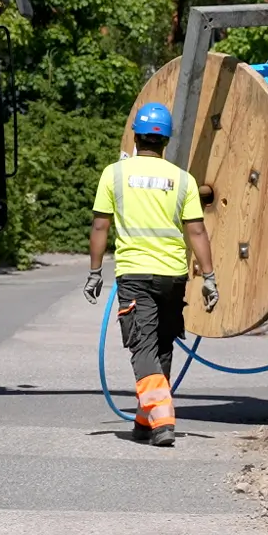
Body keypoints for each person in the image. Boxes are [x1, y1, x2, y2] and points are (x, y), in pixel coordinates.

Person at [85, 102, 218, 446]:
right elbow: (197, 233)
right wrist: (210, 277)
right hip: (173, 276)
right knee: (161, 345)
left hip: (135, 275)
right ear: (167, 141)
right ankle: (146, 421)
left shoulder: (113, 175)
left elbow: (101, 225)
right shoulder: (183, 180)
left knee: (142, 347)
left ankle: (162, 419)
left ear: (136, 136)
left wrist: (95, 272)